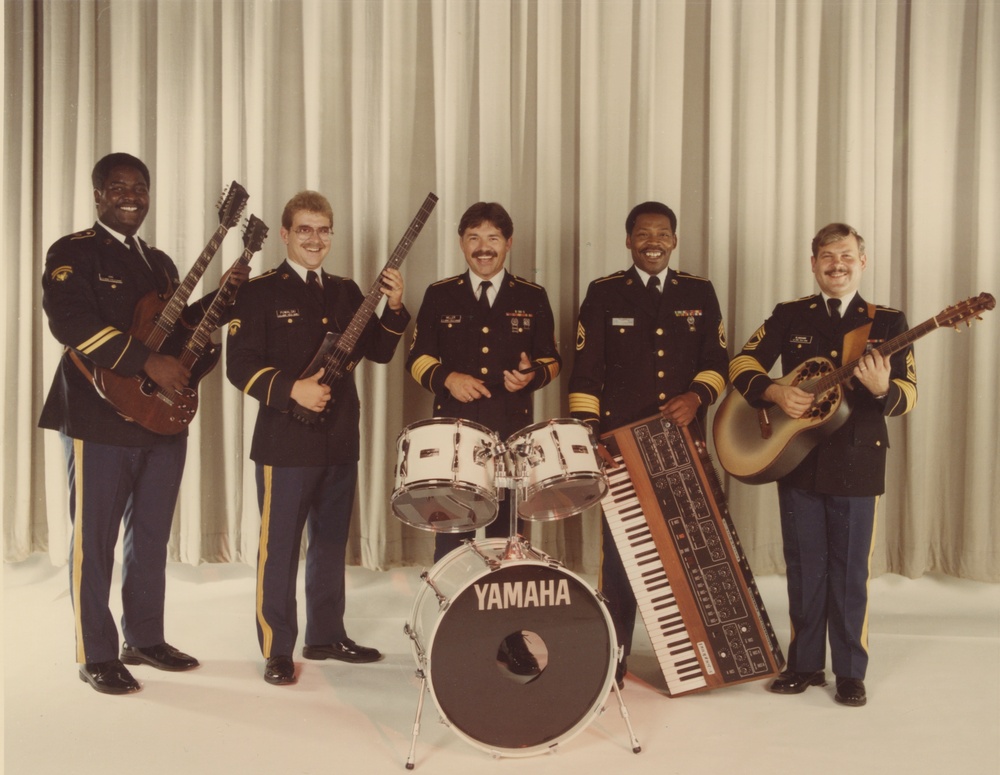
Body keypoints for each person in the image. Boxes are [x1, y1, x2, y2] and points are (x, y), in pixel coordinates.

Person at [39, 152, 248, 694]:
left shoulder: (159, 263)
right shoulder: (73, 252)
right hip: (97, 415)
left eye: (140, 187)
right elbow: (70, 321)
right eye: (118, 186)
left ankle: (145, 639)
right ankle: (97, 653)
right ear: (98, 194)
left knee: (151, 534)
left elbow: (176, 334)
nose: (130, 195)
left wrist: (222, 298)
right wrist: (142, 360)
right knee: (95, 537)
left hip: (158, 419)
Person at [728, 223, 917, 707]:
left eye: (848, 255)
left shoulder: (889, 322)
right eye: (828, 255)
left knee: (850, 570)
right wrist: (773, 391)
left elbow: (908, 396)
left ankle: (851, 671)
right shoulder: (789, 315)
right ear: (813, 264)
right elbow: (742, 363)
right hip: (797, 460)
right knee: (805, 566)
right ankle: (805, 665)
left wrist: (881, 389)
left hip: (858, 461)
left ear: (863, 262)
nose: (838, 263)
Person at [226, 190, 409, 686]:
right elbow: (238, 366)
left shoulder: (348, 291)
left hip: (338, 440)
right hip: (284, 443)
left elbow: (381, 352)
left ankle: (326, 634)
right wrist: (291, 390)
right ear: (285, 234)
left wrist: (394, 306)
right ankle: (276, 648)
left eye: (323, 229)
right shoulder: (260, 291)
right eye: (304, 229)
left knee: (329, 543)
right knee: (279, 547)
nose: (315, 238)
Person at [568, 201, 729, 688]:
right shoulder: (604, 293)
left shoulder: (699, 292)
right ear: (628, 241)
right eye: (642, 233)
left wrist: (697, 397)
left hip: (682, 439)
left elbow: (718, 360)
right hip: (621, 446)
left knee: (692, 551)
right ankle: (613, 656)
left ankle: (696, 661)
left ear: (675, 241)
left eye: (662, 233)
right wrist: (591, 438)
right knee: (622, 557)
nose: (652, 241)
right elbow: (586, 373)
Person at [405, 201, 561, 564]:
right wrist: (447, 378)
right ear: (462, 243)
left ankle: (503, 618)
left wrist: (530, 376)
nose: (483, 247)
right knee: (451, 535)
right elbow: (417, 359)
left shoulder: (532, 296)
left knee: (507, 536)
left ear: (509, 243)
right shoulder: (439, 294)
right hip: (454, 435)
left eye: (493, 237)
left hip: (510, 432)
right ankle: (453, 613)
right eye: (473, 238)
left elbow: (552, 360)